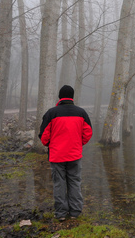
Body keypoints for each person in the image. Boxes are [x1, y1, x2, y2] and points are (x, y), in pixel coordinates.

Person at [38, 85, 93, 221]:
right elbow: (88, 133)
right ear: (72, 97)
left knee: (59, 183)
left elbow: (44, 136)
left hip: (57, 156)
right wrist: (78, 144)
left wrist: (51, 145)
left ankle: (61, 213)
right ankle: (75, 212)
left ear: (60, 96)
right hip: (75, 154)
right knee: (75, 182)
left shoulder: (51, 113)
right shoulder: (81, 113)